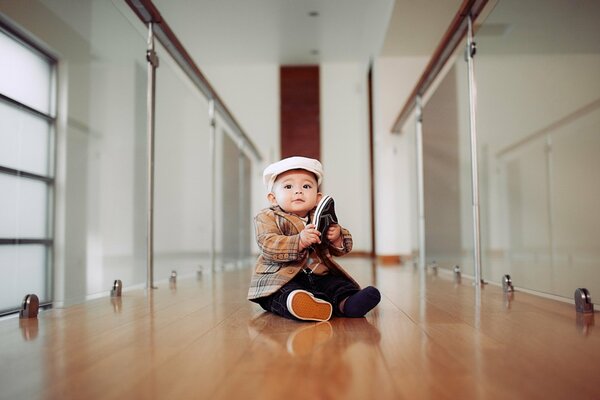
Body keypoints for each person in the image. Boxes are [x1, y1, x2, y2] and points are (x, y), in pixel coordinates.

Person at [247, 156, 381, 322]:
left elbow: (341, 249)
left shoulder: (319, 216)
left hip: (319, 275)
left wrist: (337, 237)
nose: (298, 191)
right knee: (281, 294)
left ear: (317, 197)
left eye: (306, 186)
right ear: (273, 198)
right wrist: (299, 241)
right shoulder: (267, 217)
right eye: (288, 186)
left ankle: (347, 303)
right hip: (280, 277)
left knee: (336, 284)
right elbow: (267, 244)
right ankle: (299, 304)